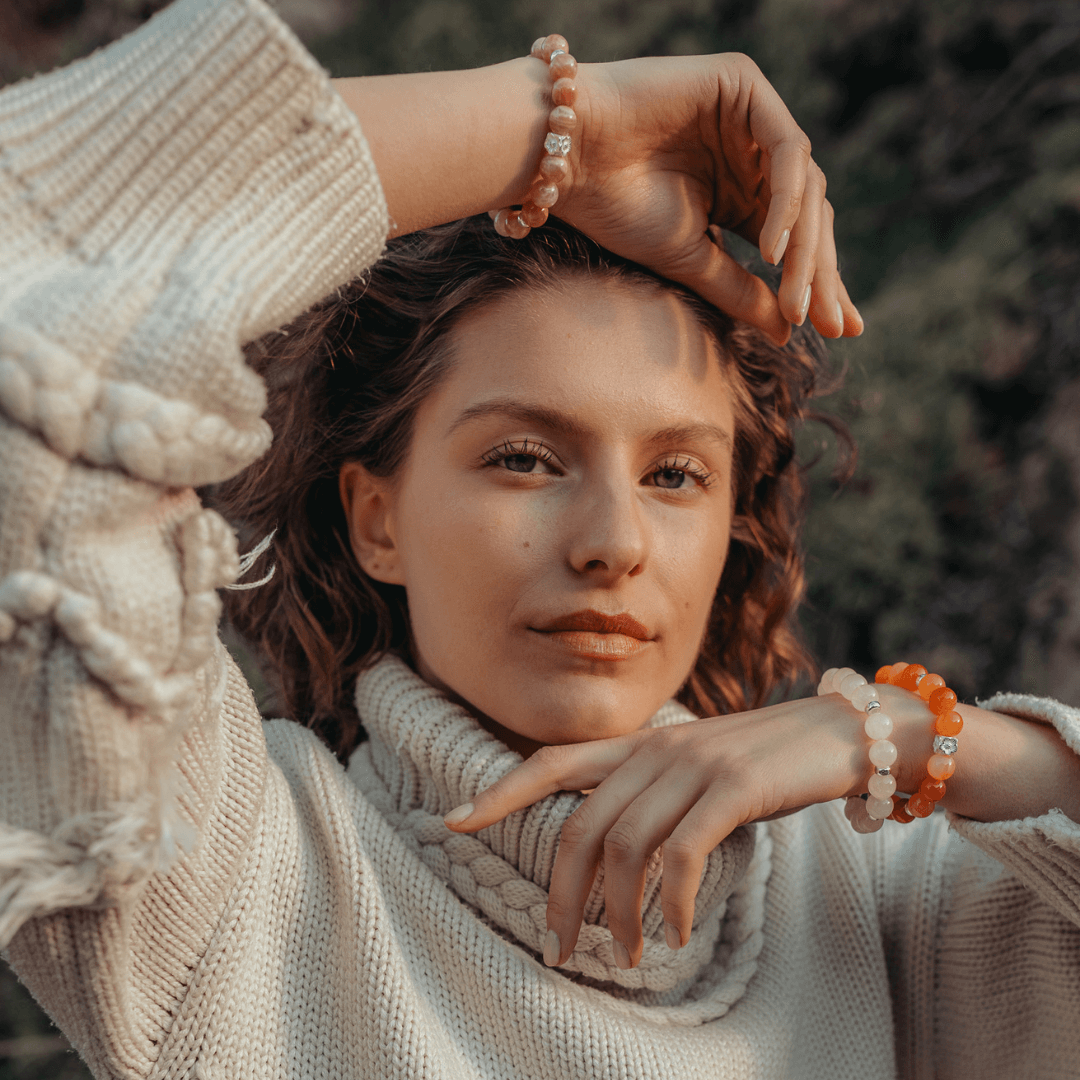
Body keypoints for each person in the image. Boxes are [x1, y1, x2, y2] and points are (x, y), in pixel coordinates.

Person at [0, 0, 1077, 1078]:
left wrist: (922, 743)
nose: (613, 542)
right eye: (523, 458)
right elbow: (28, 277)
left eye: (674, 475)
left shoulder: (889, 899)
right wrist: (562, 127)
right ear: (377, 518)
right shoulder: (225, 870)